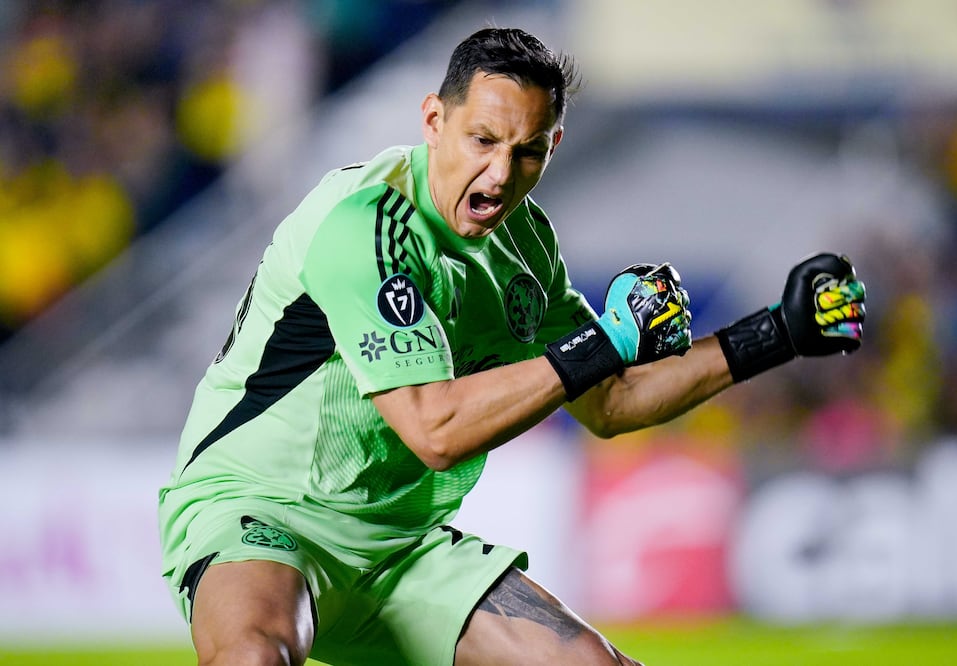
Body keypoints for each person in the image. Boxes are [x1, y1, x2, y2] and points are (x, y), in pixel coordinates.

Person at [158, 26, 866, 666]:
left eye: (526, 151)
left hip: (399, 548)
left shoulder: (526, 246)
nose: (500, 175)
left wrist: (774, 333)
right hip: (260, 511)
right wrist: (605, 341)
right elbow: (434, 428)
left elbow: (610, 401)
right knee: (254, 657)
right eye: (483, 141)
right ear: (434, 120)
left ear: (552, 145)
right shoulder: (365, 226)